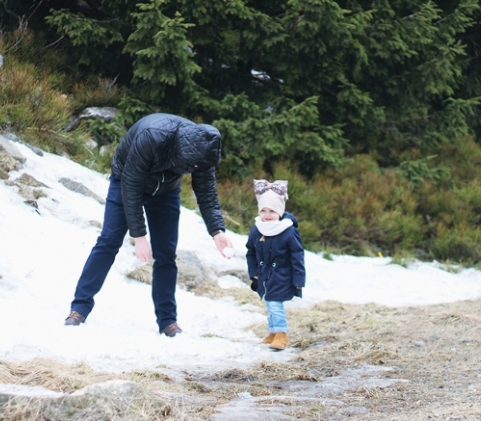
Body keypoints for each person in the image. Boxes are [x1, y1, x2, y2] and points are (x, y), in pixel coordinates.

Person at [64, 113, 233, 336]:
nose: (193, 168)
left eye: (196, 166)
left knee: (166, 254)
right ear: (181, 149)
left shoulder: (204, 150)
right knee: (108, 241)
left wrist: (217, 230)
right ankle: (79, 308)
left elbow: (206, 192)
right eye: (190, 164)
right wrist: (139, 236)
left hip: (165, 192)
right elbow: (131, 185)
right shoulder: (152, 136)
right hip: (126, 182)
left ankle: (167, 322)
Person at [245, 179, 306, 350]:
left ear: (279, 210)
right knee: (268, 303)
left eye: (272, 210)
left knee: (275, 303)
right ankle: (272, 332)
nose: (267, 215)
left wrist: (298, 281)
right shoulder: (257, 229)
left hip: (282, 275)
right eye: (263, 210)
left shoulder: (288, 230)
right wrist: (254, 272)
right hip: (264, 275)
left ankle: (281, 334)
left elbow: (297, 256)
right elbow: (250, 251)